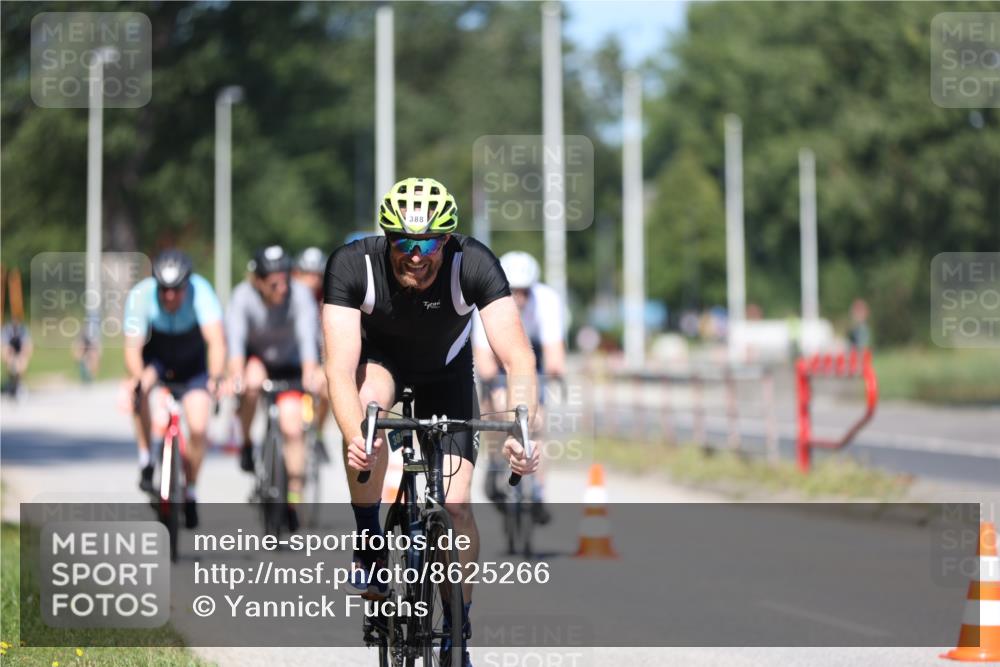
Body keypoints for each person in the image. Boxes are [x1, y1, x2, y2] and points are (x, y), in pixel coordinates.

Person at [323, 177, 539, 667]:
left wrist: (523, 431)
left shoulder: (475, 262)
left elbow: (518, 357)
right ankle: (368, 539)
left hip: (447, 376)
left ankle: (456, 627)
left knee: (458, 505)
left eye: (427, 243)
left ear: (446, 241)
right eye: (403, 241)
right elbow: (337, 367)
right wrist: (355, 433)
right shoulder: (352, 265)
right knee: (369, 419)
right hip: (381, 366)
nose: (415, 255)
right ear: (386, 238)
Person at [123, 250, 226, 528]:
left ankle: (190, 490)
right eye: (164, 290)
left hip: (193, 365)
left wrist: (216, 377)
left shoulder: (202, 292)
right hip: (156, 359)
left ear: (187, 285)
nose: (170, 296)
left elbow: (216, 341)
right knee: (139, 389)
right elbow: (132, 347)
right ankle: (146, 458)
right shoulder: (141, 295)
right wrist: (137, 377)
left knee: (200, 426)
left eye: (176, 290)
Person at [228, 245, 320, 532]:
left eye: (285, 280)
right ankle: (246, 443)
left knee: (293, 427)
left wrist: (310, 373)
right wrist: (236, 376)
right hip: (259, 361)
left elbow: (308, 339)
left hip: (292, 365)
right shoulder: (242, 297)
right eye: (273, 283)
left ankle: (293, 499)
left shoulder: (301, 294)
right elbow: (235, 345)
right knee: (251, 383)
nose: (281, 287)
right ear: (258, 281)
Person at [472, 251, 566, 525]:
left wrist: (555, 375)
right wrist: (495, 387)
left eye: (525, 291)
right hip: (497, 360)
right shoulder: (490, 299)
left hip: (531, 360)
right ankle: (494, 464)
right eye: (514, 291)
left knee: (536, 422)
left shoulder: (547, 301)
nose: (520, 299)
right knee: (497, 411)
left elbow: (554, 353)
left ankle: (537, 490)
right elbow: (484, 358)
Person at [292, 247, 331, 461]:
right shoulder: (288, 293)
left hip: (316, 355)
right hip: (290, 355)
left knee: (326, 389)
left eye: (317, 275)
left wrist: (325, 365)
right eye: (307, 274)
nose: (312, 280)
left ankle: (318, 431)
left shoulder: (327, 296)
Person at [1, 318, 33, 397]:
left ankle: (18, 384)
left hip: (20, 354)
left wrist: (22, 358)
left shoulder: (23, 331)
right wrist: (10, 359)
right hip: (10, 354)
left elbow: (27, 346)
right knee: (10, 362)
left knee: (21, 365)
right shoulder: (6, 331)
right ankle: (12, 382)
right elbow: (5, 347)